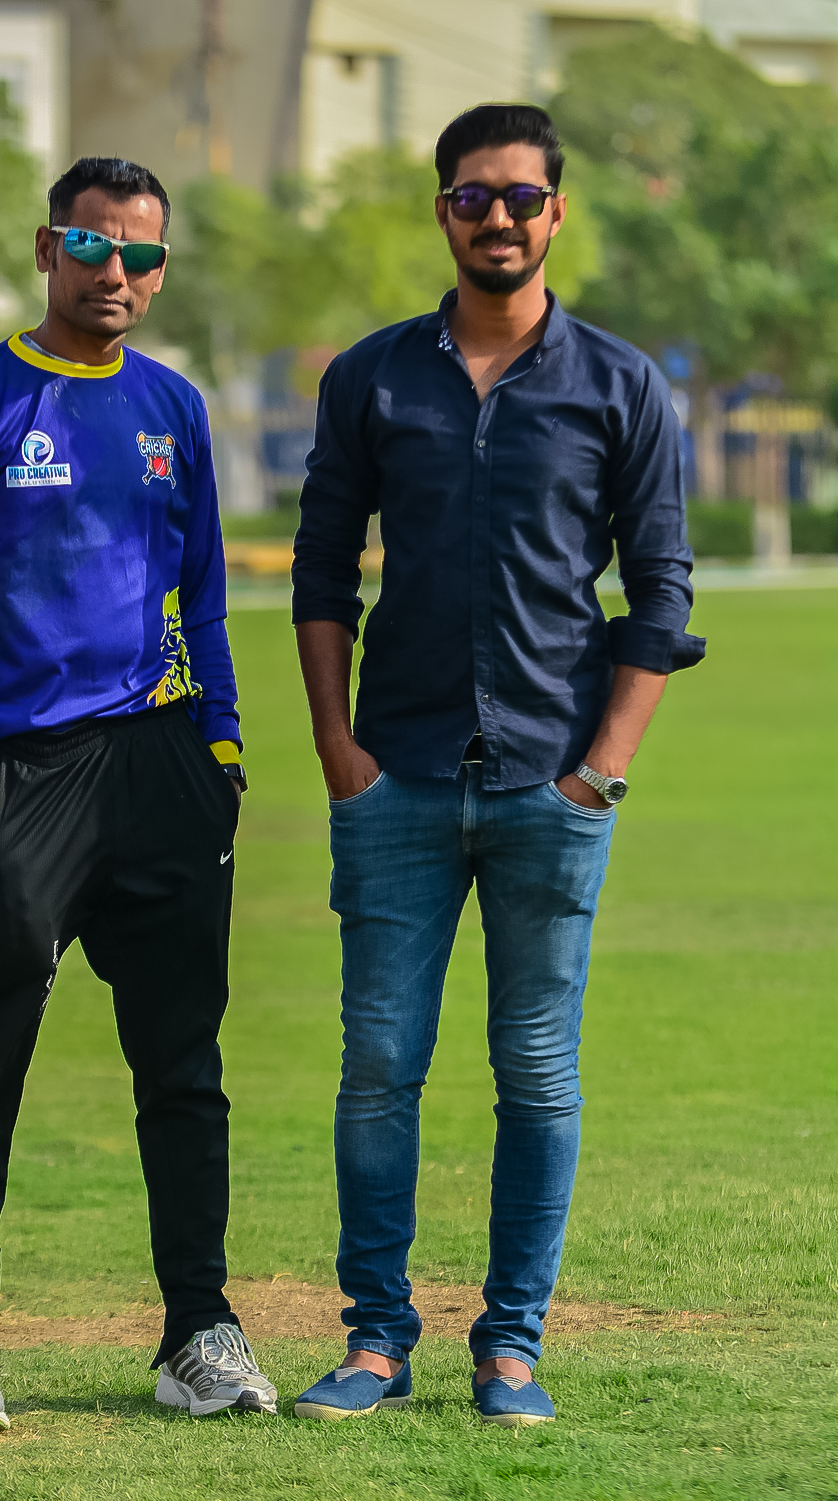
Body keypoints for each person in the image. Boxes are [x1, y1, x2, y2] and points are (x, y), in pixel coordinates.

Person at [290, 104, 705, 1426]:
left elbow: (659, 590)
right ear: (443, 213)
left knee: (534, 1075)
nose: (498, 218)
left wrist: (601, 772)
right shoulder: (372, 378)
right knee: (376, 1069)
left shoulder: (618, 385)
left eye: (521, 198)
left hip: (549, 782)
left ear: (554, 213)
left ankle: (509, 1347)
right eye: (473, 197)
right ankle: (374, 1340)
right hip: (394, 776)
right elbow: (319, 571)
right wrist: (337, 750)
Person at [0, 156, 277, 1437]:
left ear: (159, 271)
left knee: (183, 1065)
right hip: (21, 775)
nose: (116, 271)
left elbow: (203, 590)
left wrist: (221, 745)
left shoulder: (173, 405)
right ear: (47, 247)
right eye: (92, 245)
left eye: (141, 254)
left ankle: (198, 1330)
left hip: (164, 767)